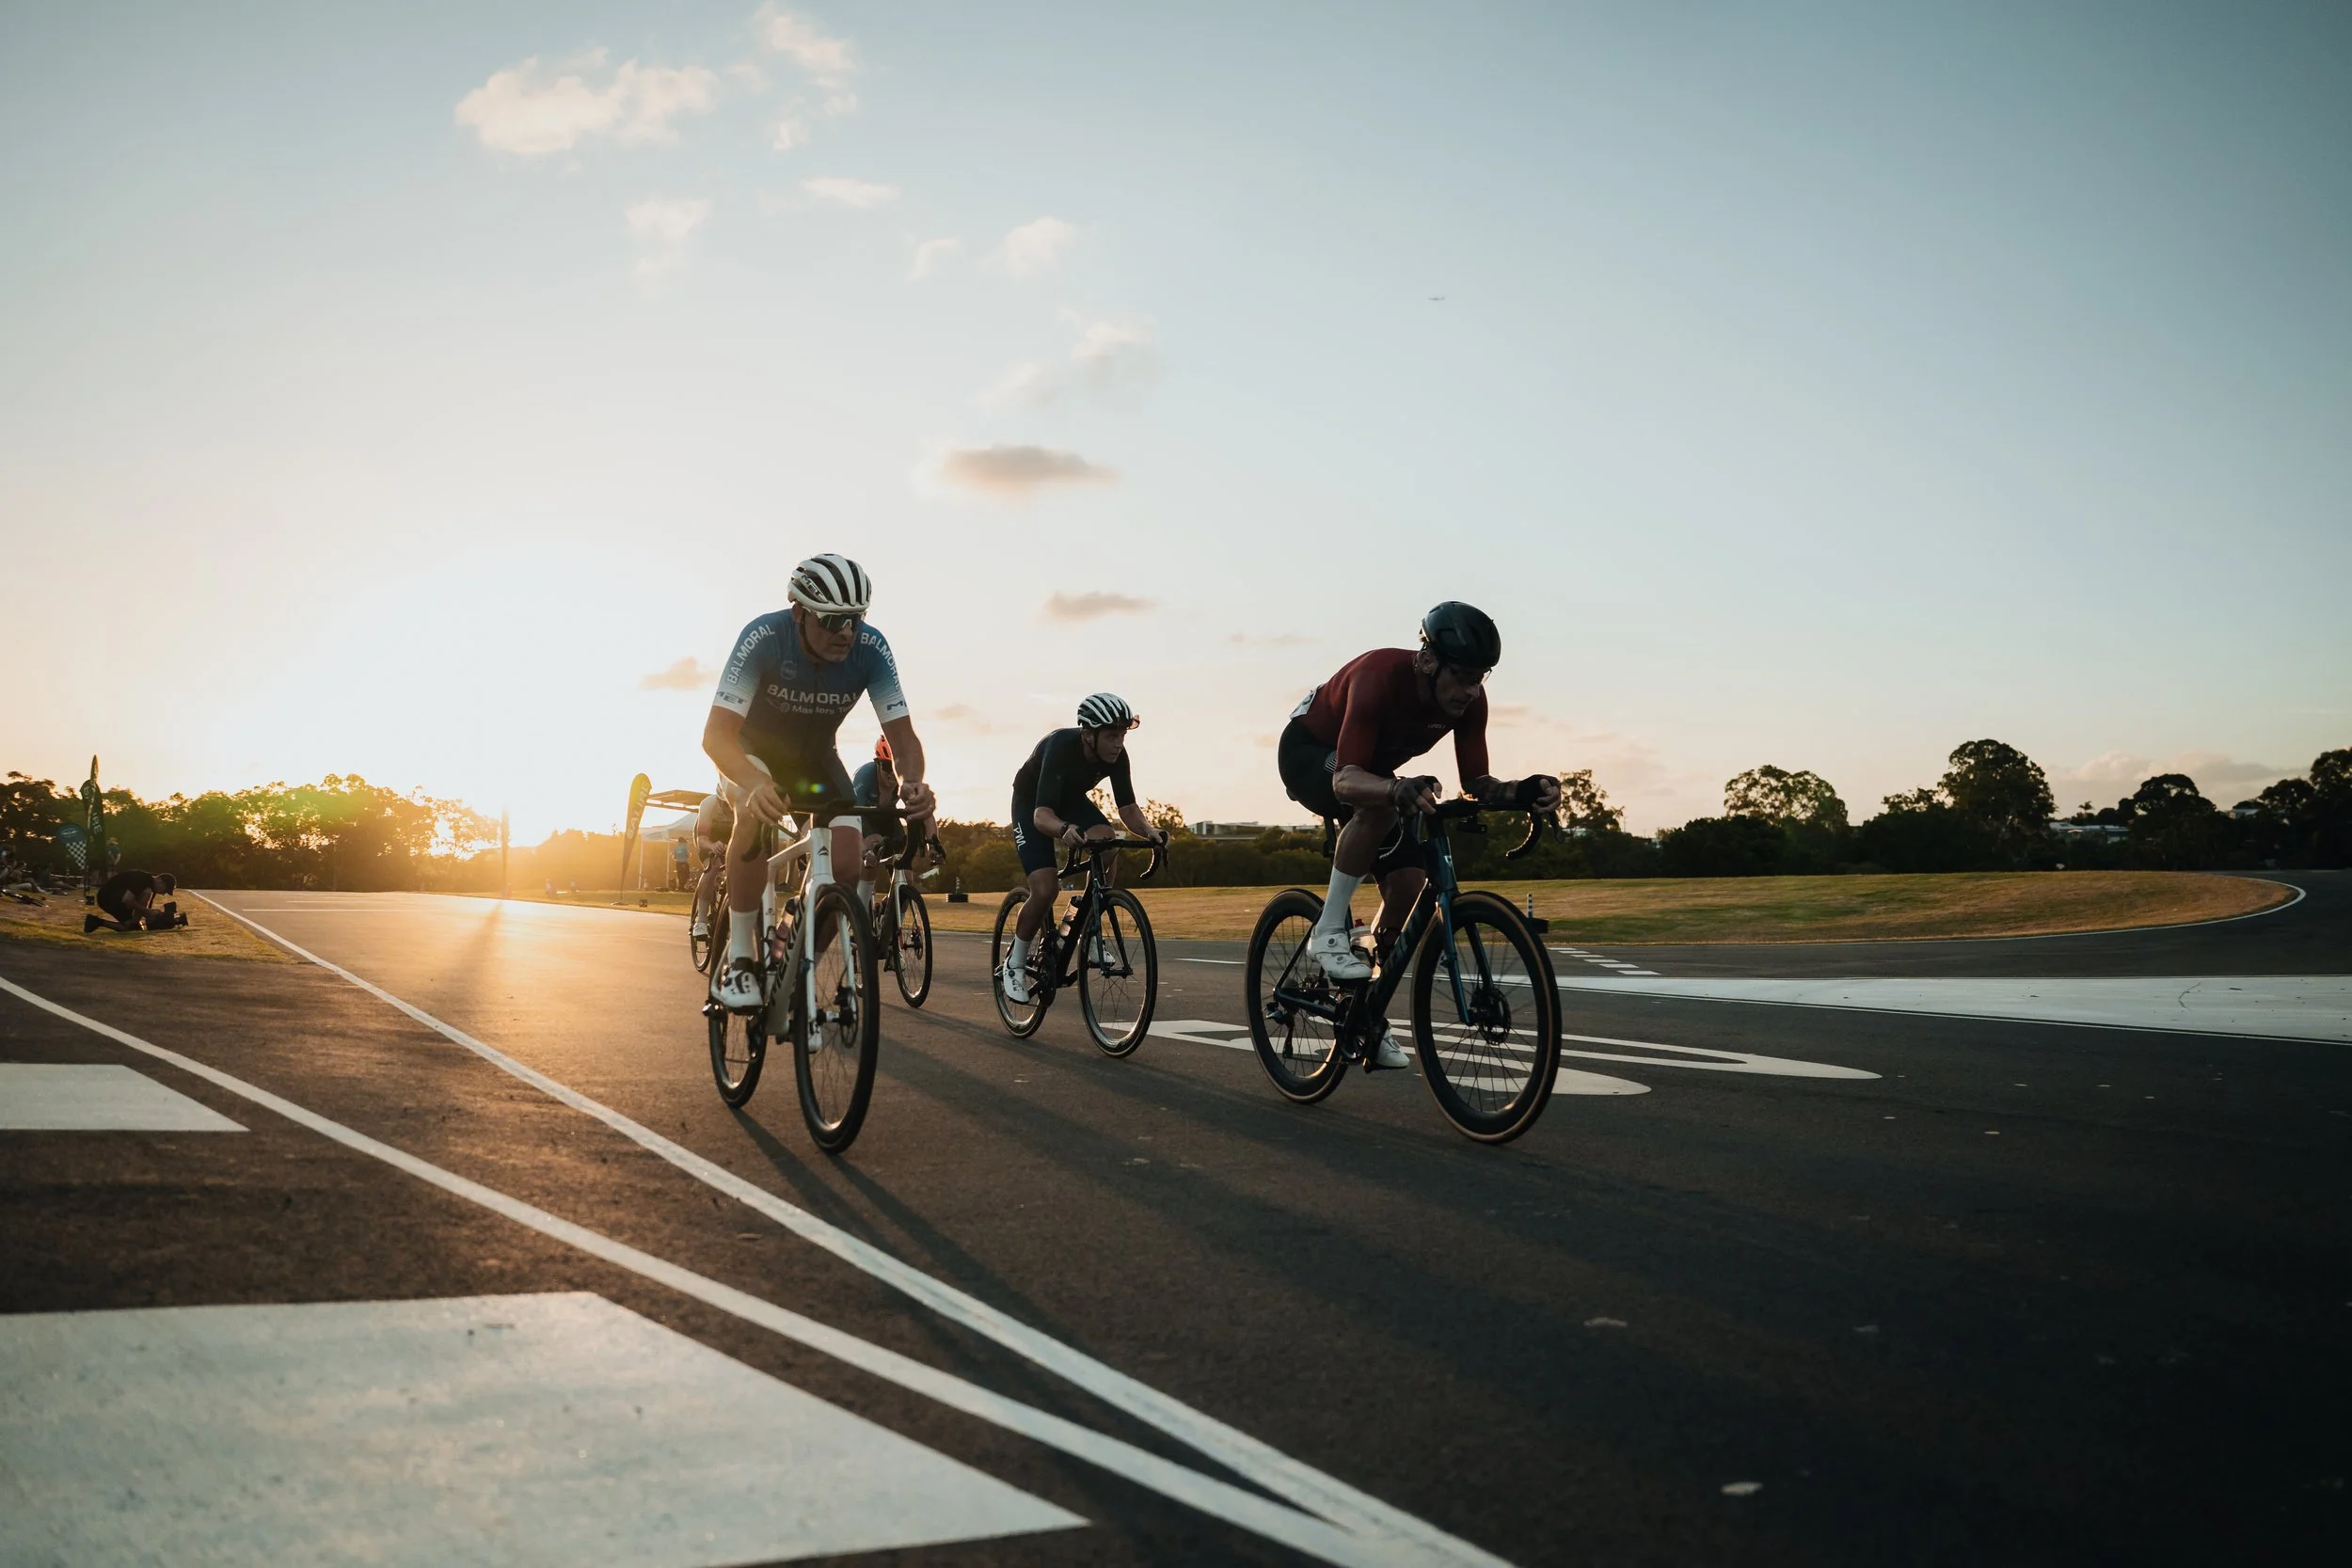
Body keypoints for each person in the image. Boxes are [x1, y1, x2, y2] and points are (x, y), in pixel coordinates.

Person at [1276, 602, 1560, 1068]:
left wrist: (1525, 791)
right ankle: (1327, 931)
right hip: (1313, 753)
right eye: (1463, 676)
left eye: (1481, 678)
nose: (1471, 690)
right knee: (1378, 807)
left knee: (1408, 884)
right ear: (1428, 661)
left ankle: (1364, 1010)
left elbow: (1477, 785)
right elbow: (1345, 780)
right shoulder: (1379, 676)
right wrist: (1392, 788)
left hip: (1374, 772)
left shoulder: (1469, 702)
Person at [702, 553, 937, 1011]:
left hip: (816, 760)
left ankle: (795, 959)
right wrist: (750, 783)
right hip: (750, 755)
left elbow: (904, 739)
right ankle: (743, 960)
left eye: (854, 619)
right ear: (799, 613)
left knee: (848, 867)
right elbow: (716, 735)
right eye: (831, 621)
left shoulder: (872, 648)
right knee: (753, 816)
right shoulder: (764, 637)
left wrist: (913, 782)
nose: (845, 632)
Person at [1000, 693, 1168, 1004]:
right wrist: (1064, 830)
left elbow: (1128, 809)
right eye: (1111, 736)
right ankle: (1014, 962)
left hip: (1069, 801)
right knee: (1046, 888)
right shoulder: (1061, 747)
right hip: (1032, 804)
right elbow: (1041, 816)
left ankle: (1088, 929)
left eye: (1122, 735)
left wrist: (1150, 831)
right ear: (1088, 735)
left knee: (1107, 842)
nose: (1118, 743)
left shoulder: (1118, 757)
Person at [850, 736, 938, 899]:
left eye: (895, 767)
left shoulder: (903, 780)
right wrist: (864, 851)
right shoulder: (864, 777)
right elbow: (856, 816)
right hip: (863, 817)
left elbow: (925, 813)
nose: (892, 774)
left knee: (907, 878)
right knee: (873, 850)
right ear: (877, 764)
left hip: (888, 818)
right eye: (886, 766)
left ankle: (892, 912)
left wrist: (933, 844)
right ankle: (860, 913)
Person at [688, 786, 735, 946]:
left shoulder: (743, 803)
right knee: (712, 866)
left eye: (731, 805)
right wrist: (712, 846)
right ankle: (700, 921)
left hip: (731, 837)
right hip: (708, 837)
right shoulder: (708, 804)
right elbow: (702, 838)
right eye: (725, 804)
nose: (728, 809)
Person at [86, 869, 181, 934]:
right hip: (108, 897)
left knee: (132, 928)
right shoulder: (144, 880)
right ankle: (134, 922)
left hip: (111, 898)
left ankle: (96, 922)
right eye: (165, 890)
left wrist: (145, 914)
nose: (163, 894)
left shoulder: (147, 882)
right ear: (160, 881)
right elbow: (127, 900)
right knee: (146, 892)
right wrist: (148, 912)